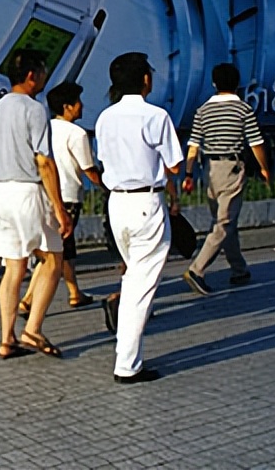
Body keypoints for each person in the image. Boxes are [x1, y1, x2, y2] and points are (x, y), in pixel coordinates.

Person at [0, 51, 73, 360]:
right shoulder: (34, 110)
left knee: (13, 268)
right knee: (52, 261)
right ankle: (32, 329)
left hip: (1, 194)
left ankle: (7, 339)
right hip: (27, 193)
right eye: (43, 71)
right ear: (32, 75)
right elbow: (44, 161)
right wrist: (59, 208)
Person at [94, 52, 183, 384]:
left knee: (133, 277)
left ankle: (128, 357)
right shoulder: (155, 115)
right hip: (147, 202)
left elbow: (104, 159)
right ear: (145, 79)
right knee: (139, 287)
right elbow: (174, 165)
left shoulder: (105, 118)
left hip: (117, 203)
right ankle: (127, 363)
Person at [181, 63, 271, 294]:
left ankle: (239, 269)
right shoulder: (243, 110)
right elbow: (255, 143)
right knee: (224, 223)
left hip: (209, 169)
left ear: (214, 84)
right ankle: (197, 270)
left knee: (224, 220)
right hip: (232, 167)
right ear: (237, 83)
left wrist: (189, 173)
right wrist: (264, 168)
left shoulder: (202, 111)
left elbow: (193, 145)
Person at [18, 81, 100, 316]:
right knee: (54, 250)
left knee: (63, 248)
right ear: (67, 107)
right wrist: (105, 184)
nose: (81, 107)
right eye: (78, 102)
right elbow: (89, 169)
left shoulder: (46, 128)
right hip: (68, 197)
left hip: (47, 193)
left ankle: (75, 291)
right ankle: (28, 299)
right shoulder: (77, 133)